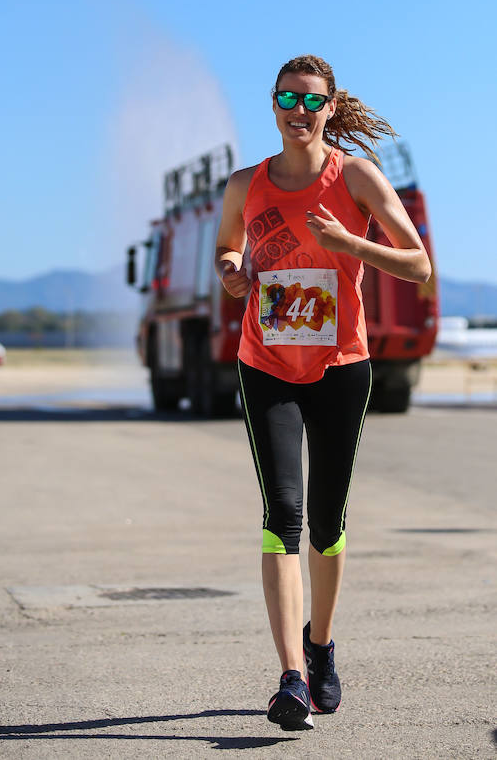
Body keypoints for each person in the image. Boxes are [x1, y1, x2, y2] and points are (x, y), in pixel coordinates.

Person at [214, 55, 431, 732]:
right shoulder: (244, 185)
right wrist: (231, 272)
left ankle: (320, 645)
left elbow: (418, 264)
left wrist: (350, 244)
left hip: (342, 366)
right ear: (273, 107)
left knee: (328, 521)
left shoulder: (357, 177)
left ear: (330, 108)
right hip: (267, 363)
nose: (297, 110)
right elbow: (227, 247)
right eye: (286, 98)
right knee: (283, 512)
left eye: (311, 101)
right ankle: (289, 678)